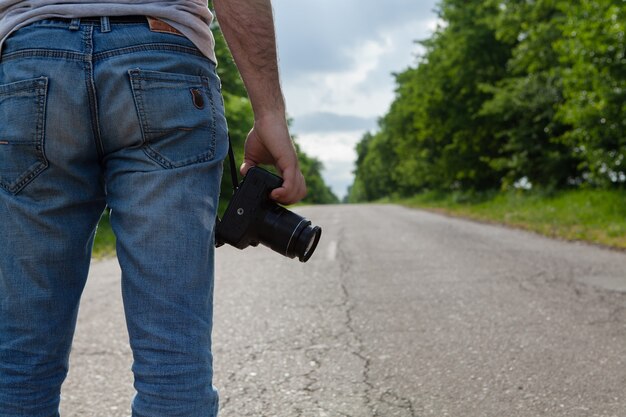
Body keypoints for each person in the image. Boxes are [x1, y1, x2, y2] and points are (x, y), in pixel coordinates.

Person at [0, 0, 305, 416]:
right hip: (164, 64)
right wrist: (269, 111)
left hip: (30, 64)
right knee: (172, 360)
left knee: (19, 360)